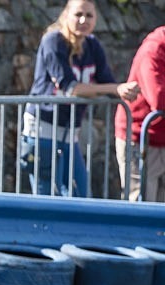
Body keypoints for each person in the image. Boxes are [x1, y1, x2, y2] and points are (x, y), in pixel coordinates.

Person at [20, 0, 139, 197]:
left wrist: (127, 90)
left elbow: (107, 81)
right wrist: (116, 88)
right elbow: (71, 88)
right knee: (46, 197)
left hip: (69, 133)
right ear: (66, 15)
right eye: (78, 14)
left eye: (89, 15)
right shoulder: (53, 41)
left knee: (80, 195)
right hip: (43, 129)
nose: (83, 20)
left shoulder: (92, 45)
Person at [115, 26, 165, 202]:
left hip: (161, 138)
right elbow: (159, 99)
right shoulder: (154, 49)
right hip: (141, 139)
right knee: (141, 204)